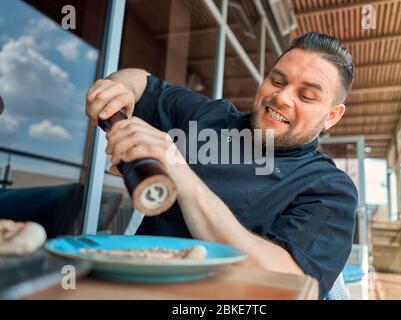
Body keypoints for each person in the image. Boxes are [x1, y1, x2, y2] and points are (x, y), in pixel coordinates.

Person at [85, 32, 358, 299]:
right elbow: (140, 80)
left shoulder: (330, 188)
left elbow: (286, 286)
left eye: (306, 95)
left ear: (332, 116)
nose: (282, 97)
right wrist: (118, 88)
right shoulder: (211, 117)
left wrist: (180, 173)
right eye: (277, 81)